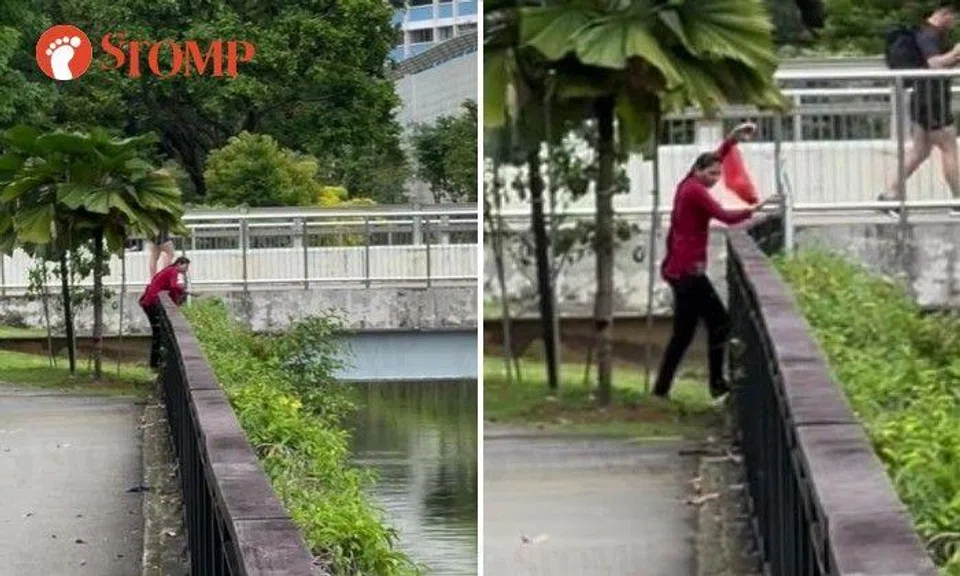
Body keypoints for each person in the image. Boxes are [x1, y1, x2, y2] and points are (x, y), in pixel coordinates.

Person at [653, 122, 781, 400]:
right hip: (687, 271)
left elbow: (714, 159)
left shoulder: (686, 184)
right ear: (698, 172)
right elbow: (725, 216)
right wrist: (756, 210)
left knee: (685, 333)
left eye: (718, 174)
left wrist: (730, 141)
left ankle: (664, 388)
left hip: (680, 269)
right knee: (719, 322)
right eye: (711, 174)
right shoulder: (696, 192)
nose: (715, 179)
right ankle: (715, 382)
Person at [880, 4, 960, 217]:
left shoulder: (928, 34)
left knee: (920, 151)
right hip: (932, 99)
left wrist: (954, 57)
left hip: (925, 97)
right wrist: (955, 52)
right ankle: (957, 200)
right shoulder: (928, 35)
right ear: (945, 13)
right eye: (954, 18)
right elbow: (934, 64)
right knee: (949, 147)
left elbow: (934, 65)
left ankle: (889, 195)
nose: (954, 24)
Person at [139, 256, 190, 369]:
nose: (186, 270)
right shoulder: (173, 271)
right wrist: (182, 291)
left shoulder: (167, 270)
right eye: (186, 267)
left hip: (149, 302)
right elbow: (173, 286)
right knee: (159, 333)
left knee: (159, 332)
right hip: (152, 303)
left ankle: (155, 363)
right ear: (180, 264)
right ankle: (155, 363)